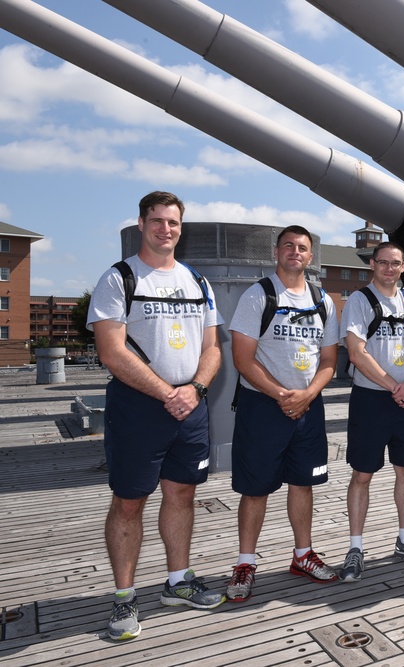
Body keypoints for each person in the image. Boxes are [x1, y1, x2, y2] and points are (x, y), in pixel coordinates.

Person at [87, 191, 224, 641]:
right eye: (157, 221)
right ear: (142, 224)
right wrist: (169, 393)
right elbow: (111, 351)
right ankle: (124, 599)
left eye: (173, 222)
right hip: (140, 408)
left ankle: (177, 582)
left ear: (181, 229)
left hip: (191, 406)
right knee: (129, 502)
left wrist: (196, 390)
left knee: (182, 494)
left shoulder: (196, 281)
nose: (166, 229)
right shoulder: (120, 278)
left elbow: (211, 349)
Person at [224, 225, 340, 602]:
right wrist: (281, 395)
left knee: (302, 482)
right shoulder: (258, 295)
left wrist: (306, 395)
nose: (295, 252)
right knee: (255, 488)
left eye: (302, 247)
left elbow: (328, 361)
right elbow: (242, 358)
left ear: (310, 257)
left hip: (308, 405)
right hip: (263, 406)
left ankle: (302, 555)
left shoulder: (323, 300)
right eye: (288, 245)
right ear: (276, 253)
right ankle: (245, 563)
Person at [339, 241, 404, 582]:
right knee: (362, 474)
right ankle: (355, 547)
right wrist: (392, 385)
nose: (388, 268)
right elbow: (356, 352)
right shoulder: (359, 301)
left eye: (395, 263)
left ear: (403, 266)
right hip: (372, 402)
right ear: (372, 264)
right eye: (382, 263)